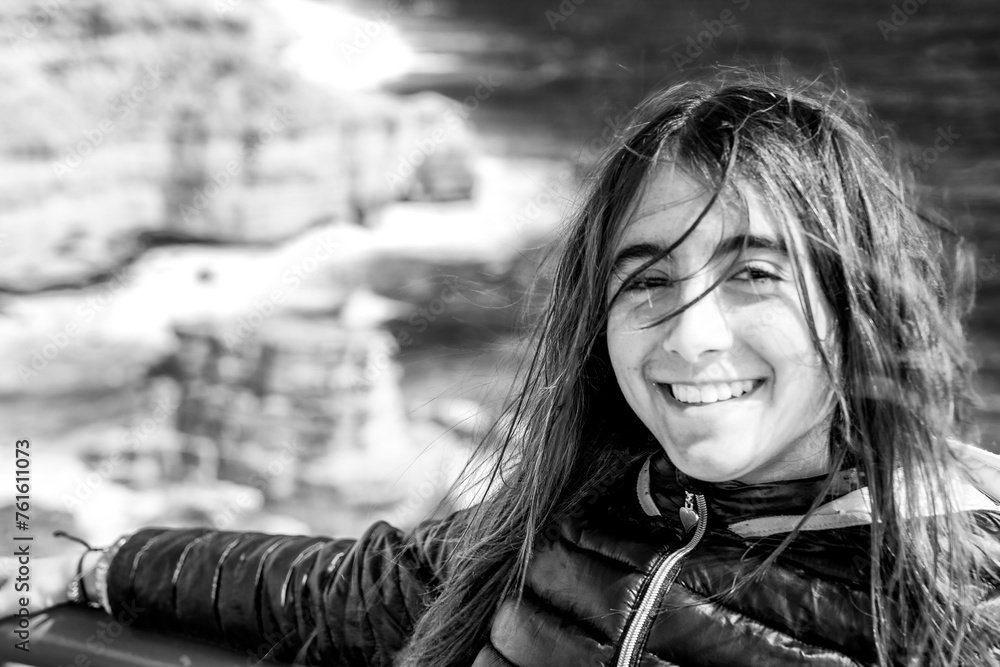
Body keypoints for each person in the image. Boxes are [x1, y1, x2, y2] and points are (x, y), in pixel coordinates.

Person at [5, 70, 1000, 666]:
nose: (692, 336)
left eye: (753, 273)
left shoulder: (958, 598)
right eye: (646, 281)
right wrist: (94, 563)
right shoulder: (565, 524)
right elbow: (332, 586)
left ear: (853, 301)